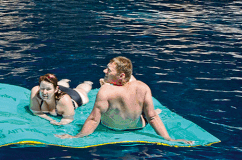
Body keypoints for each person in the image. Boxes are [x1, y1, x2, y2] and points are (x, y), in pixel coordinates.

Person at [58, 57, 193, 144]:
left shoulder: (105, 90)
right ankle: (140, 111)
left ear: (121, 75)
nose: (104, 70)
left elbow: (93, 120)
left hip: (112, 127)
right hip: (138, 125)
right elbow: (152, 117)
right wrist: (169, 139)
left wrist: (76, 137)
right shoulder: (142, 87)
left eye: (109, 70)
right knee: (148, 112)